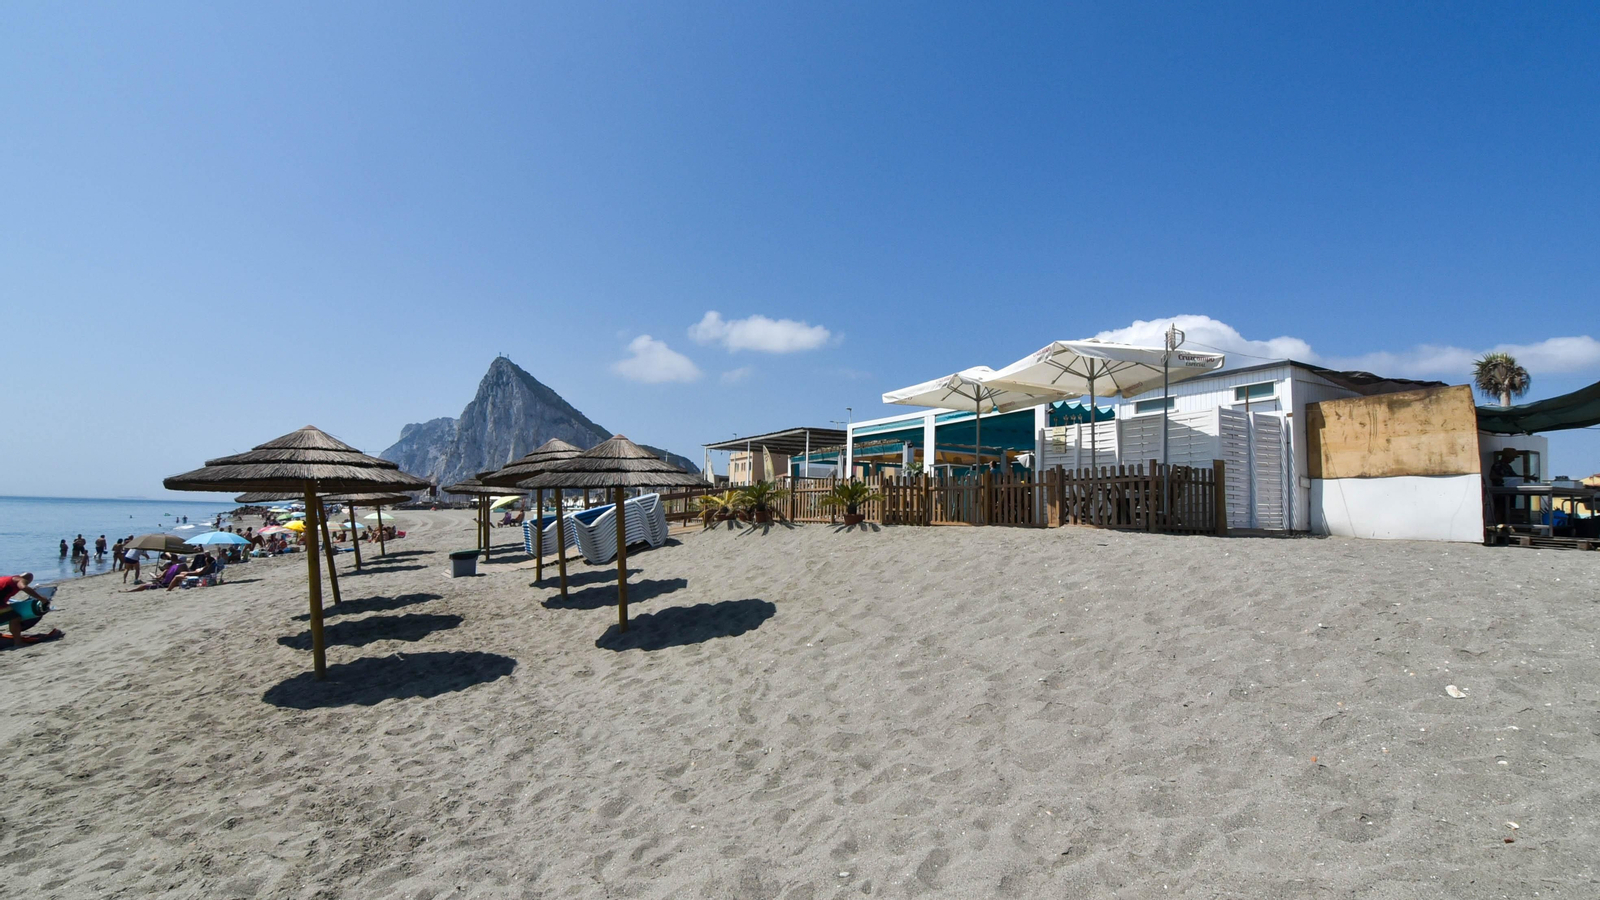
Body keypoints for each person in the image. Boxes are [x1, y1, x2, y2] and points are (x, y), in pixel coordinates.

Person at [1, 573, 61, 648]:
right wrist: (40, 598)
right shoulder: (19, 580)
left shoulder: (7, 579)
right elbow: (23, 587)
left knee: (8, 613)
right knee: (15, 618)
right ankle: (18, 643)